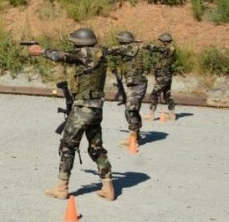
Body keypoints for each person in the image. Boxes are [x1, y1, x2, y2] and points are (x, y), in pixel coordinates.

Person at [28, 28, 114, 201]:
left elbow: (62, 56)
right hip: (97, 107)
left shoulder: (83, 53)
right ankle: (108, 187)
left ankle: (62, 188)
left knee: (67, 147)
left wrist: (41, 51)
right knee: (96, 148)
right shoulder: (100, 53)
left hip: (83, 108)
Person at [106, 31, 148, 147]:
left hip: (137, 83)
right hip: (135, 83)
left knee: (131, 109)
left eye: (120, 41)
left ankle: (133, 139)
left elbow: (110, 50)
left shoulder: (129, 48)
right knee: (131, 109)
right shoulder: (134, 48)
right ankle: (136, 134)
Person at [142, 32, 176, 121]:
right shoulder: (168, 48)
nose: (160, 42)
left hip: (163, 76)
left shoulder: (169, 48)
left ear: (165, 41)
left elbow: (155, 48)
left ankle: (151, 115)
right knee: (167, 95)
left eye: (161, 41)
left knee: (154, 94)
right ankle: (172, 114)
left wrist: (144, 46)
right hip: (166, 75)